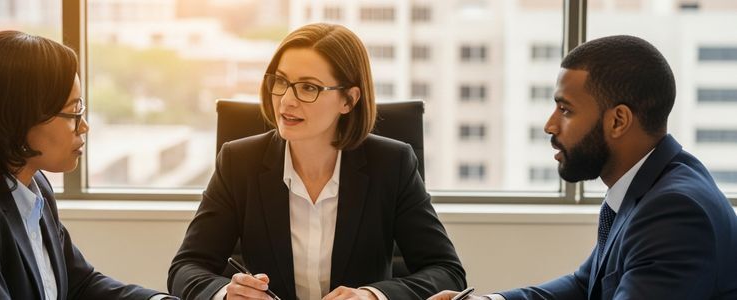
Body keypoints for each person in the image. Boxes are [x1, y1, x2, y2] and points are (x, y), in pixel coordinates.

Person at [168, 23, 466, 300]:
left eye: (308, 87)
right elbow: (186, 268)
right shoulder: (239, 162)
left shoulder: (392, 164)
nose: (286, 100)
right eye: (281, 82)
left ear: (349, 100)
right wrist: (225, 293)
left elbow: (447, 272)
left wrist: (372, 296)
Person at [429, 35, 737, 300]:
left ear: (618, 121)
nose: (550, 125)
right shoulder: (649, 185)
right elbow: (584, 285)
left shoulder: (675, 213)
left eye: (565, 110)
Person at [0, 31, 175, 300]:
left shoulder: (32, 185)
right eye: (74, 112)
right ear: (16, 116)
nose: (84, 126)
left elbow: (79, 284)